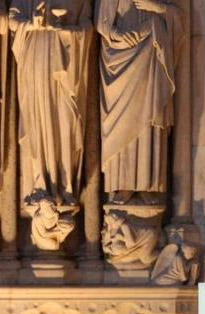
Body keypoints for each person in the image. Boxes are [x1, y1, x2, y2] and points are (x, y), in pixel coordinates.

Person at [95, 0, 185, 205]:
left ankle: (149, 185)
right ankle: (122, 184)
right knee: (122, 122)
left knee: (149, 118)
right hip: (120, 58)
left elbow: (179, 17)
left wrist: (157, 8)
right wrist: (118, 35)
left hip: (151, 52)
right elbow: (103, 24)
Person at [9, 0, 93, 205]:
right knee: (36, 122)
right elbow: (12, 19)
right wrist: (31, 24)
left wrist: (66, 30)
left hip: (65, 67)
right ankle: (40, 186)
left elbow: (88, 27)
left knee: (65, 121)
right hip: (35, 60)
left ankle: (64, 186)